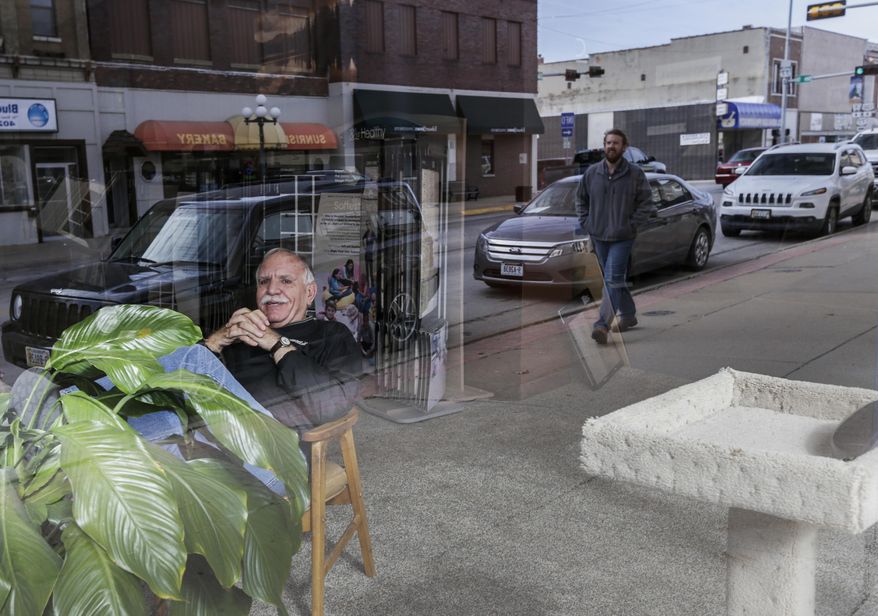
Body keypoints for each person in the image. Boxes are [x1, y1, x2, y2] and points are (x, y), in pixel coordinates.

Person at [575, 128, 655, 345]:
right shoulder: (592, 173)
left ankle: (601, 324)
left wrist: (632, 225)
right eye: (608, 142)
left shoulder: (635, 174)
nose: (611, 146)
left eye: (616, 143)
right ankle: (628, 315)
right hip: (599, 235)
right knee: (615, 280)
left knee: (611, 279)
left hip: (622, 236)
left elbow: (646, 202)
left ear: (624, 147)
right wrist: (586, 222)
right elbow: (580, 200)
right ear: (604, 145)